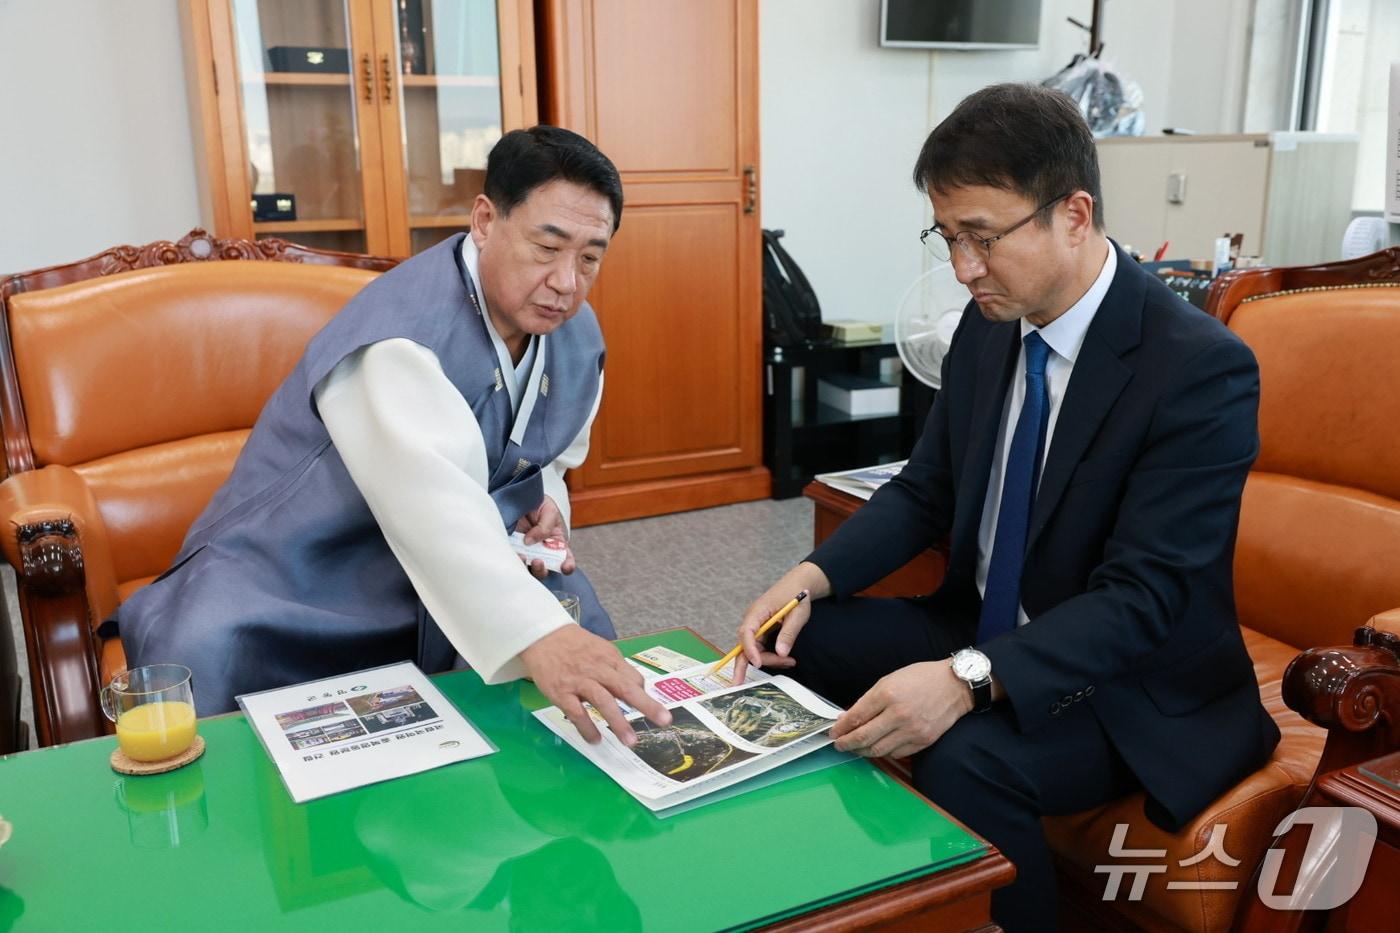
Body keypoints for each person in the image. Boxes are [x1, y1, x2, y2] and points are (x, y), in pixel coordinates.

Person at [733, 84, 1278, 931]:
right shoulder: (989, 326)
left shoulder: (1199, 368)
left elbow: (1144, 598)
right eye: (947, 237)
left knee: (968, 754)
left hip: (1125, 684)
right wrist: (809, 577)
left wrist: (963, 680)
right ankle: (854, 893)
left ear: (1074, 212)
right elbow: (926, 488)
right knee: (796, 646)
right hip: (987, 627)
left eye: (983, 237)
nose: (962, 268)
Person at [117, 126, 670, 744]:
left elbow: (552, 461)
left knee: (586, 654)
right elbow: (431, 507)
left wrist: (547, 509)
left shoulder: (576, 333)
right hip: (305, 569)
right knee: (219, 655)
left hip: (463, 554)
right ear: (485, 221)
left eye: (590, 257)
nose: (567, 282)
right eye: (548, 247)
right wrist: (537, 636)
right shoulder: (396, 337)